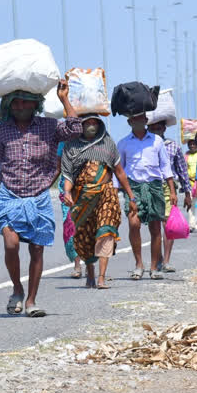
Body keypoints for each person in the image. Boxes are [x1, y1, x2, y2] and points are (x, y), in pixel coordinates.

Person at [0, 81, 82, 317]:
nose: (20, 106)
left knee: (37, 248)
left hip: (38, 194)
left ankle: (31, 301)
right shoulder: (3, 130)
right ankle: (17, 289)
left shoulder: (49, 127)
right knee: (11, 243)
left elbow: (75, 129)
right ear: (10, 105)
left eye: (25, 101)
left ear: (35, 104)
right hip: (9, 193)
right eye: (16, 101)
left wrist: (64, 99)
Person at [61, 115, 137, 289]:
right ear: (80, 125)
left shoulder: (108, 144)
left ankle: (102, 277)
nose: (91, 125)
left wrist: (131, 196)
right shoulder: (71, 146)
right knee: (84, 236)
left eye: (95, 122)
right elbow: (68, 175)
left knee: (106, 230)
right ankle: (90, 271)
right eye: (87, 122)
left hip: (106, 193)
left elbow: (120, 172)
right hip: (82, 197)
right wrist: (67, 192)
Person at [117, 112, 177, 280]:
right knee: (133, 223)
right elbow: (119, 170)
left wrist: (172, 190)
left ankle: (153, 267)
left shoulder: (157, 141)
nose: (138, 121)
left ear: (145, 120)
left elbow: (165, 166)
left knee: (155, 227)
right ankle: (138, 264)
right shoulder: (123, 143)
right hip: (133, 187)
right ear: (129, 122)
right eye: (134, 118)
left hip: (154, 186)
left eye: (141, 118)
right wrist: (115, 192)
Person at [147, 120, 192, 273]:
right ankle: (157, 258)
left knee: (168, 225)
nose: (155, 131)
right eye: (152, 128)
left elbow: (182, 170)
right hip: (150, 187)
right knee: (154, 226)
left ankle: (166, 261)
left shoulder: (173, 146)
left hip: (168, 188)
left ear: (164, 128)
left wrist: (187, 193)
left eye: (158, 128)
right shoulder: (145, 145)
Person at [56, 142, 81, 278]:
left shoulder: (93, 139)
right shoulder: (63, 144)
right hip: (67, 189)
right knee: (70, 227)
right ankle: (77, 264)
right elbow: (58, 167)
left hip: (89, 186)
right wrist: (45, 185)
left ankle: (91, 264)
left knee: (89, 226)